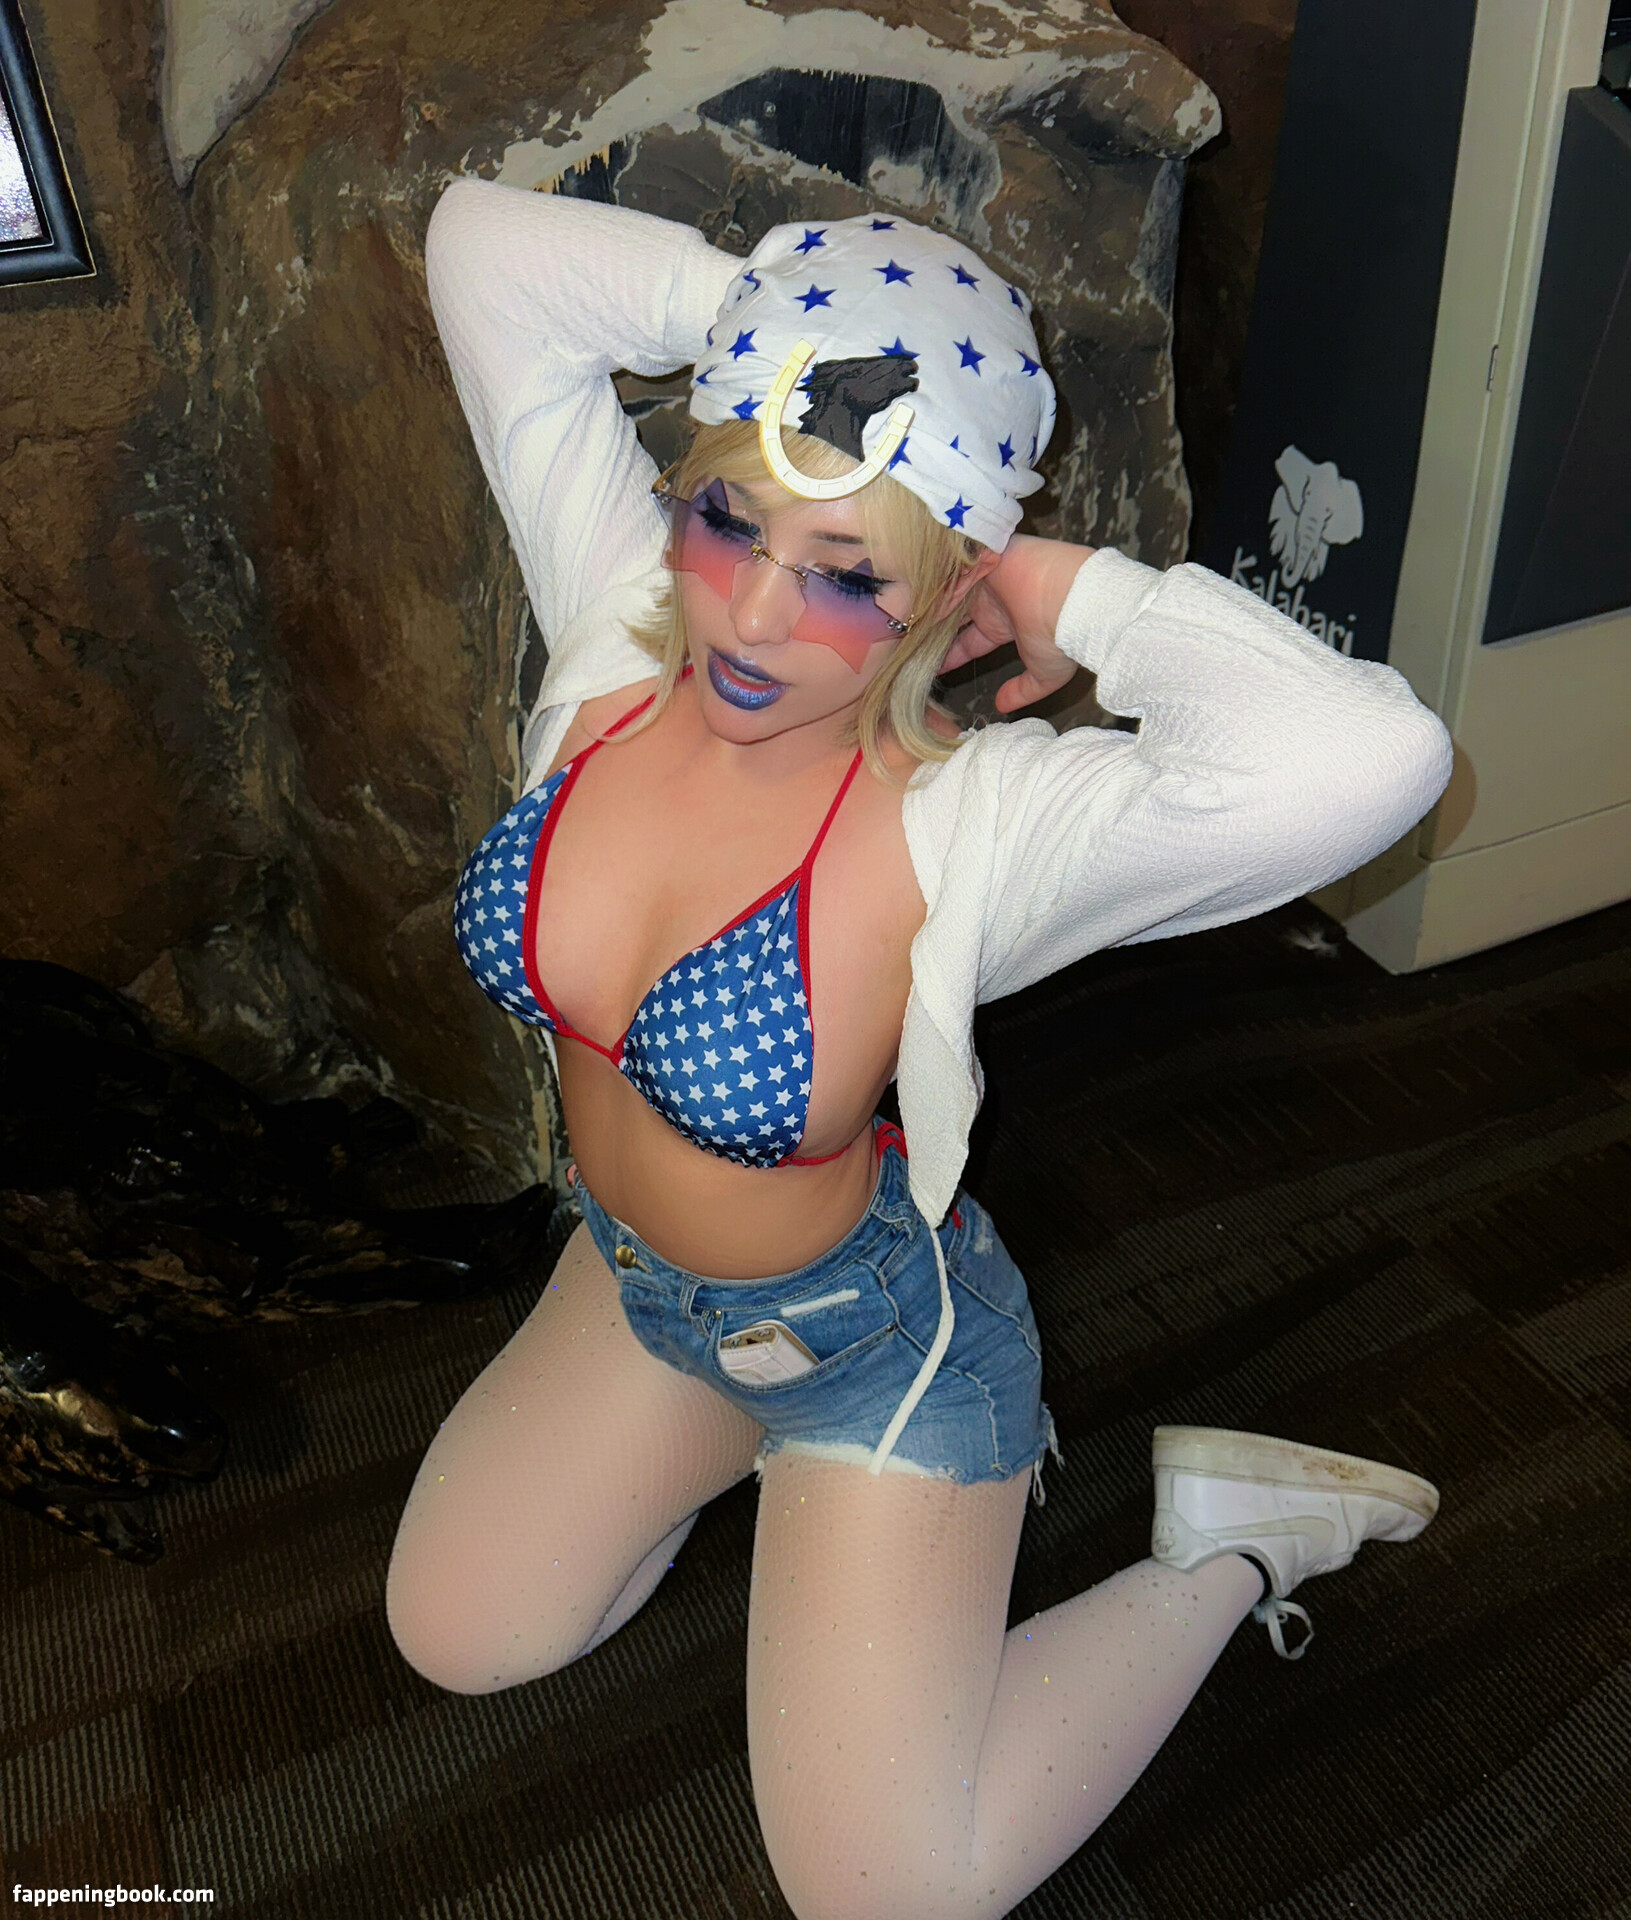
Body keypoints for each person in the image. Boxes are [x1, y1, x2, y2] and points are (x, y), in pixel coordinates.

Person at [385, 179, 1453, 1920]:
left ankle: (1234, 1543)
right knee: (461, 1633)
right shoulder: (610, 636)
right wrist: (790, 329)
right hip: (639, 1287)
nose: (751, 617)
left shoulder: (967, 828)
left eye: (847, 574)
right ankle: (773, 1503)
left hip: (870, 1347)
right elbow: (479, 250)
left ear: (944, 593)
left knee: (887, 1897)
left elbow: (1370, 763)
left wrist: (1064, 586)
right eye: (729, 520)